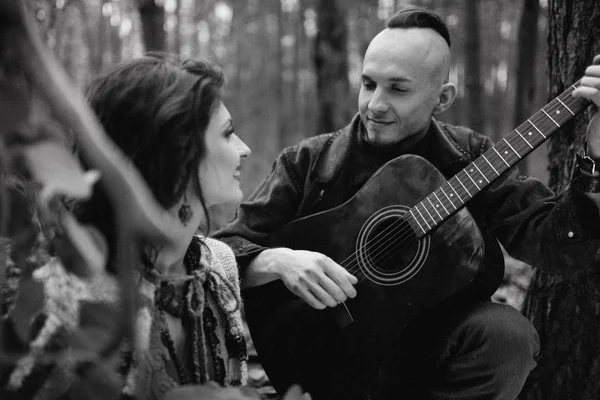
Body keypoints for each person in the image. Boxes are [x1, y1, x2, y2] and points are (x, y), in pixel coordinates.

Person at [215, 7, 600, 400]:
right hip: (324, 356)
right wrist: (277, 261)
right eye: (368, 84)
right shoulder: (308, 163)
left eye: (398, 90)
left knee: (507, 338)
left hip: (427, 356)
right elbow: (222, 250)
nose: (375, 105)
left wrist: (595, 159)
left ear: (442, 98)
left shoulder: (471, 158)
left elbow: (558, 249)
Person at [1, 54, 252, 400]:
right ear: (176, 154)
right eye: (228, 134)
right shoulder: (70, 294)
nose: (245, 149)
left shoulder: (218, 266)